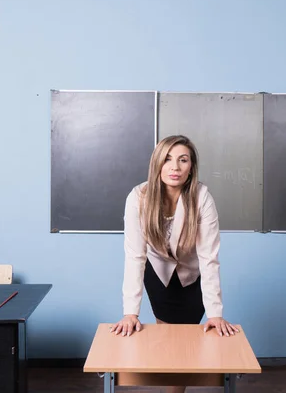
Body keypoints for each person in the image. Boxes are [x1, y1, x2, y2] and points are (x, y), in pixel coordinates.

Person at [110, 135, 239, 393]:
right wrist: (130, 312)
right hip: (158, 273)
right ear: (157, 163)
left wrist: (215, 313)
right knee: (169, 338)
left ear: (191, 167)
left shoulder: (202, 197)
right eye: (168, 159)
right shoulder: (138, 197)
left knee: (188, 340)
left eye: (183, 160)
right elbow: (135, 255)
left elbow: (209, 257)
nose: (175, 167)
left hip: (193, 275)